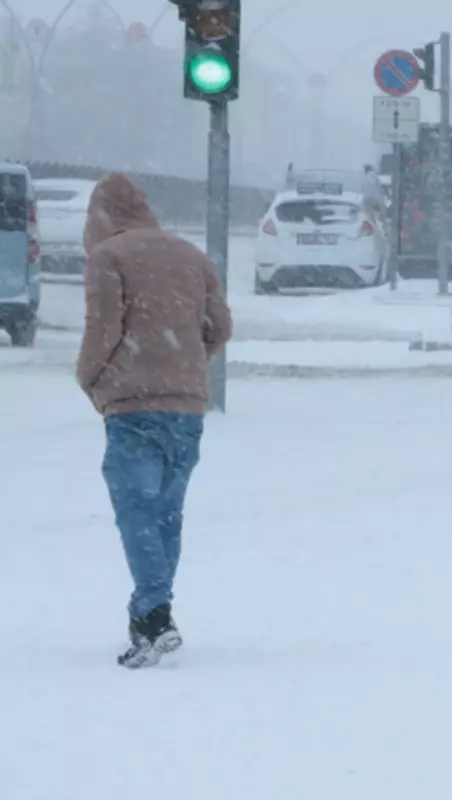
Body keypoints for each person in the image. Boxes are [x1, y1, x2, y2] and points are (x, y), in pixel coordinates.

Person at [75, 173, 233, 668]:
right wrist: (186, 362)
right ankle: (150, 612)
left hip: (132, 405)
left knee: (136, 511)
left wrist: (90, 378)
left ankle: (153, 616)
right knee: (166, 513)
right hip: (187, 407)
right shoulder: (191, 256)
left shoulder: (109, 258)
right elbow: (221, 326)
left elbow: (104, 329)